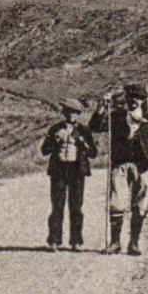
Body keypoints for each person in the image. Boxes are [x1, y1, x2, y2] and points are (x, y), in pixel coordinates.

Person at [106, 83, 148, 255]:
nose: (133, 101)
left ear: (143, 100)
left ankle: (134, 243)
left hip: (144, 165)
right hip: (121, 164)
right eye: (131, 97)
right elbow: (96, 125)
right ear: (126, 98)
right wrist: (103, 106)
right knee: (117, 203)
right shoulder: (116, 116)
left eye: (138, 98)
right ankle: (115, 242)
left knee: (140, 204)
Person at [40, 98, 97, 251]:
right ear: (64, 113)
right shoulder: (55, 129)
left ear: (78, 114)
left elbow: (93, 153)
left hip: (77, 171)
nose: (72, 115)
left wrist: (83, 143)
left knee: (76, 206)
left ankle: (76, 241)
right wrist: (54, 140)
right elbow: (44, 150)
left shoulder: (84, 130)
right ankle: (54, 240)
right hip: (59, 170)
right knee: (57, 205)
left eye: (75, 112)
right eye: (69, 112)